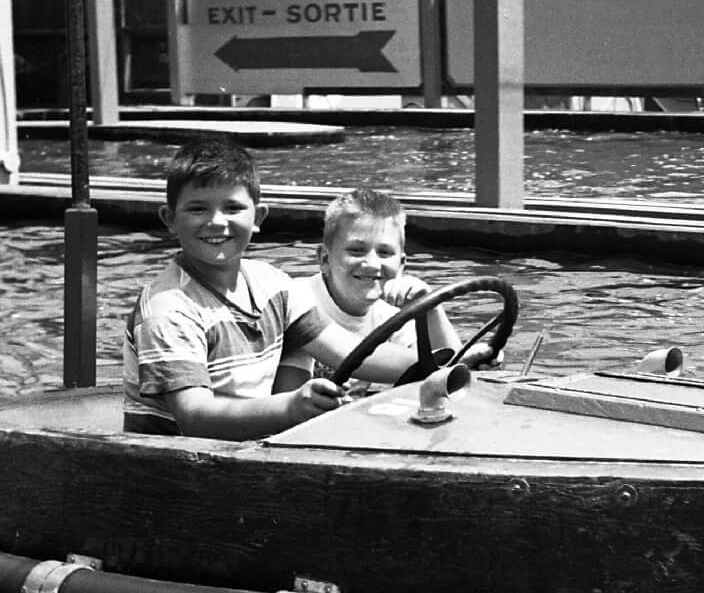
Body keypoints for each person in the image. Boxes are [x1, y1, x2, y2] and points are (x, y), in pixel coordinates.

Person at [122, 138, 430, 440]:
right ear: (170, 219)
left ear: (257, 217)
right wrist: (293, 406)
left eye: (232, 207)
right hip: (179, 464)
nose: (216, 222)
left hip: (249, 449)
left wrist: (442, 365)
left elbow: (348, 350)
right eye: (197, 209)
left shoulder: (272, 285)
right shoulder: (168, 309)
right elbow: (195, 417)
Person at [274, 187, 458, 395]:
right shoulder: (299, 301)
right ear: (325, 259)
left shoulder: (394, 318)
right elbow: (291, 402)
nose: (372, 263)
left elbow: (452, 374)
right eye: (356, 250)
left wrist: (431, 306)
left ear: (402, 264)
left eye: (385, 252)